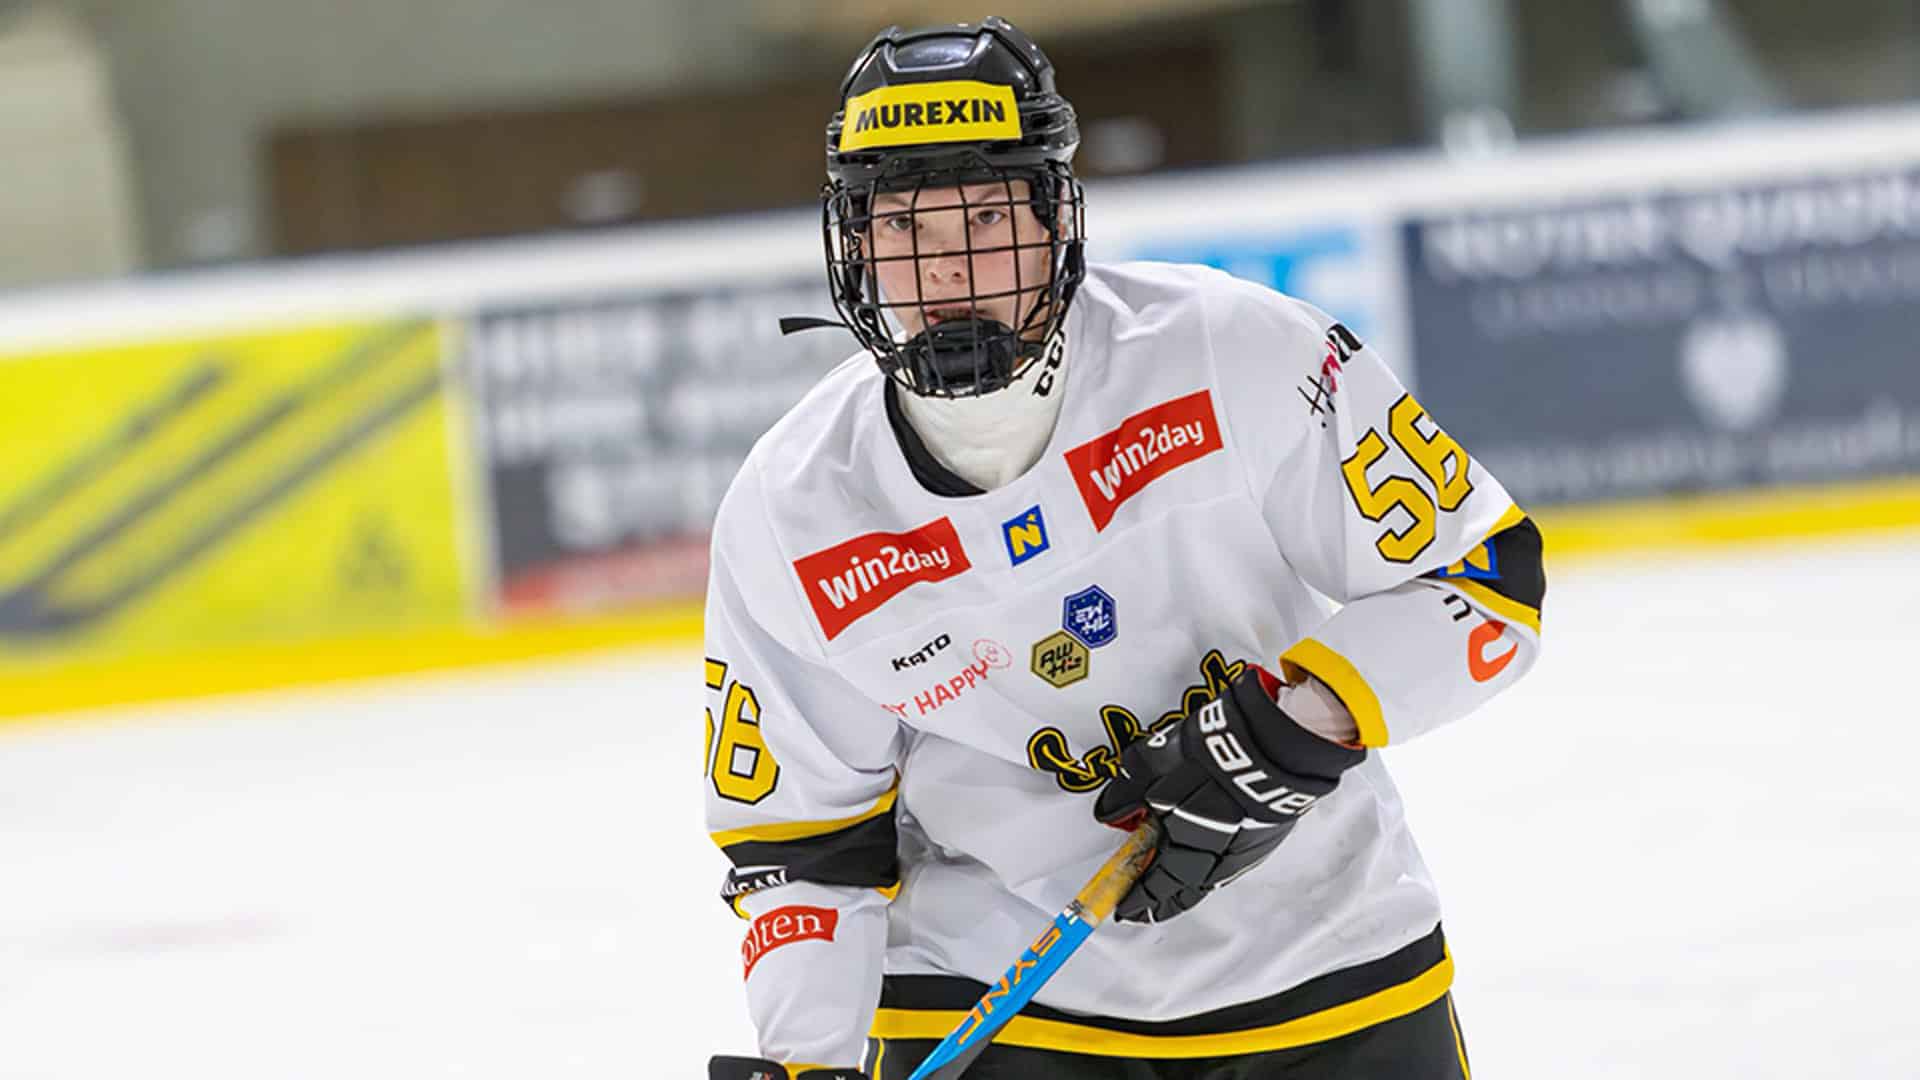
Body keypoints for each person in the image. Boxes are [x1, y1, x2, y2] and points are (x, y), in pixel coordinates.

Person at [704, 16, 1545, 1080]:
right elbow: (801, 851)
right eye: (905, 225)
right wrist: (805, 1063)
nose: (948, 268)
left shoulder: (1229, 353)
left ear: (1056, 218)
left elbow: (1488, 579)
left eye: (986, 216)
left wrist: (1294, 730)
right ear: (856, 246)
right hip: (1003, 1006)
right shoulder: (792, 511)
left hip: (1328, 960)